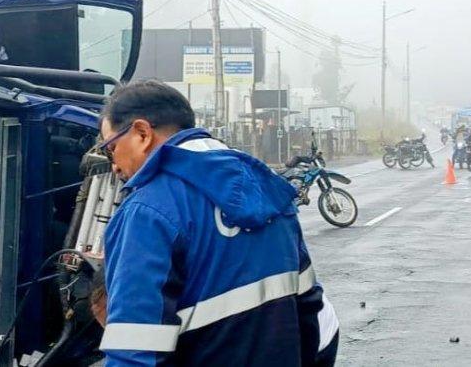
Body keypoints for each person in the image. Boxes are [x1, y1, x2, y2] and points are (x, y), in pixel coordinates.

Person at [96, 80, 338, 366]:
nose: (113, 164)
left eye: (110, 148)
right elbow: (308, 308)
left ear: (141, 133)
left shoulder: (148, 212)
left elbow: (134, 348)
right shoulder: (270, 190)